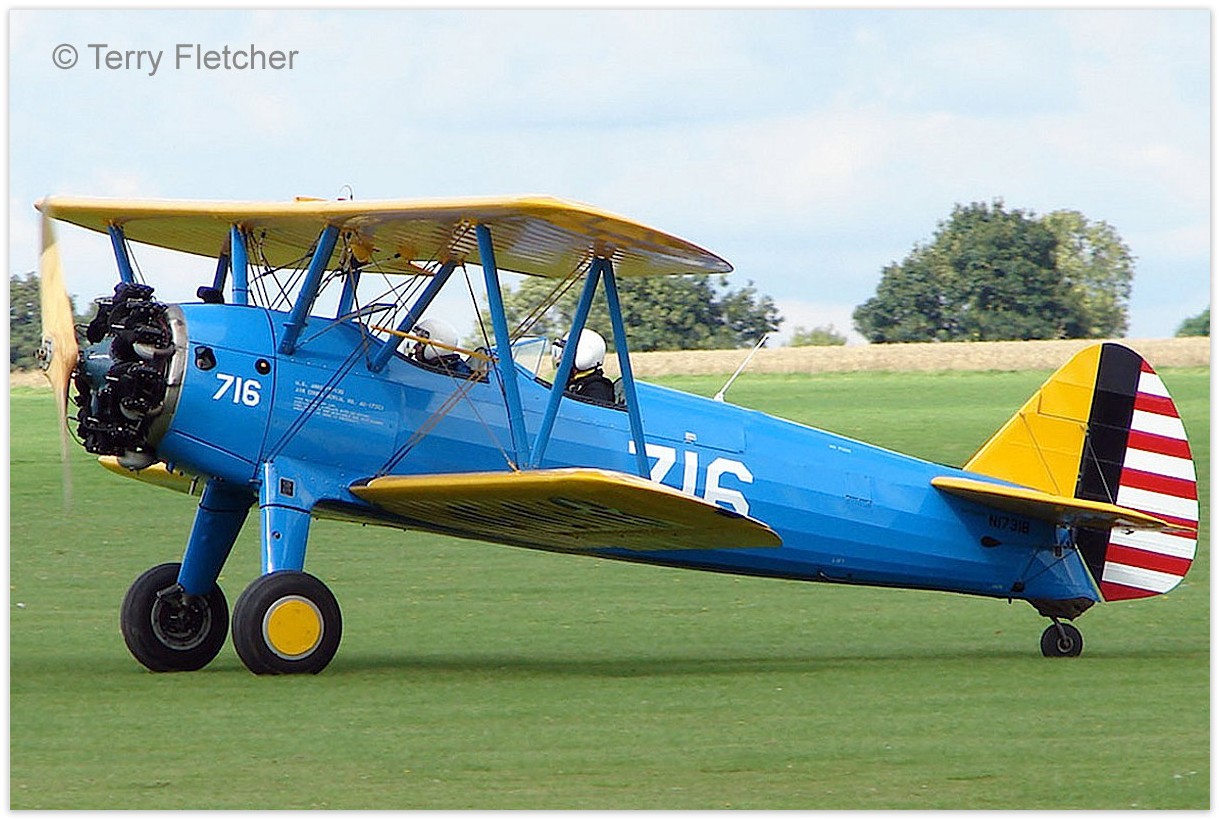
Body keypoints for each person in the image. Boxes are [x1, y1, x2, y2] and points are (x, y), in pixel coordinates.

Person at [553, 329, 615, 403]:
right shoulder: (573, 383)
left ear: (583, 356)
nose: (560, 359)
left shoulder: (596, 389)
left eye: (564, 354)